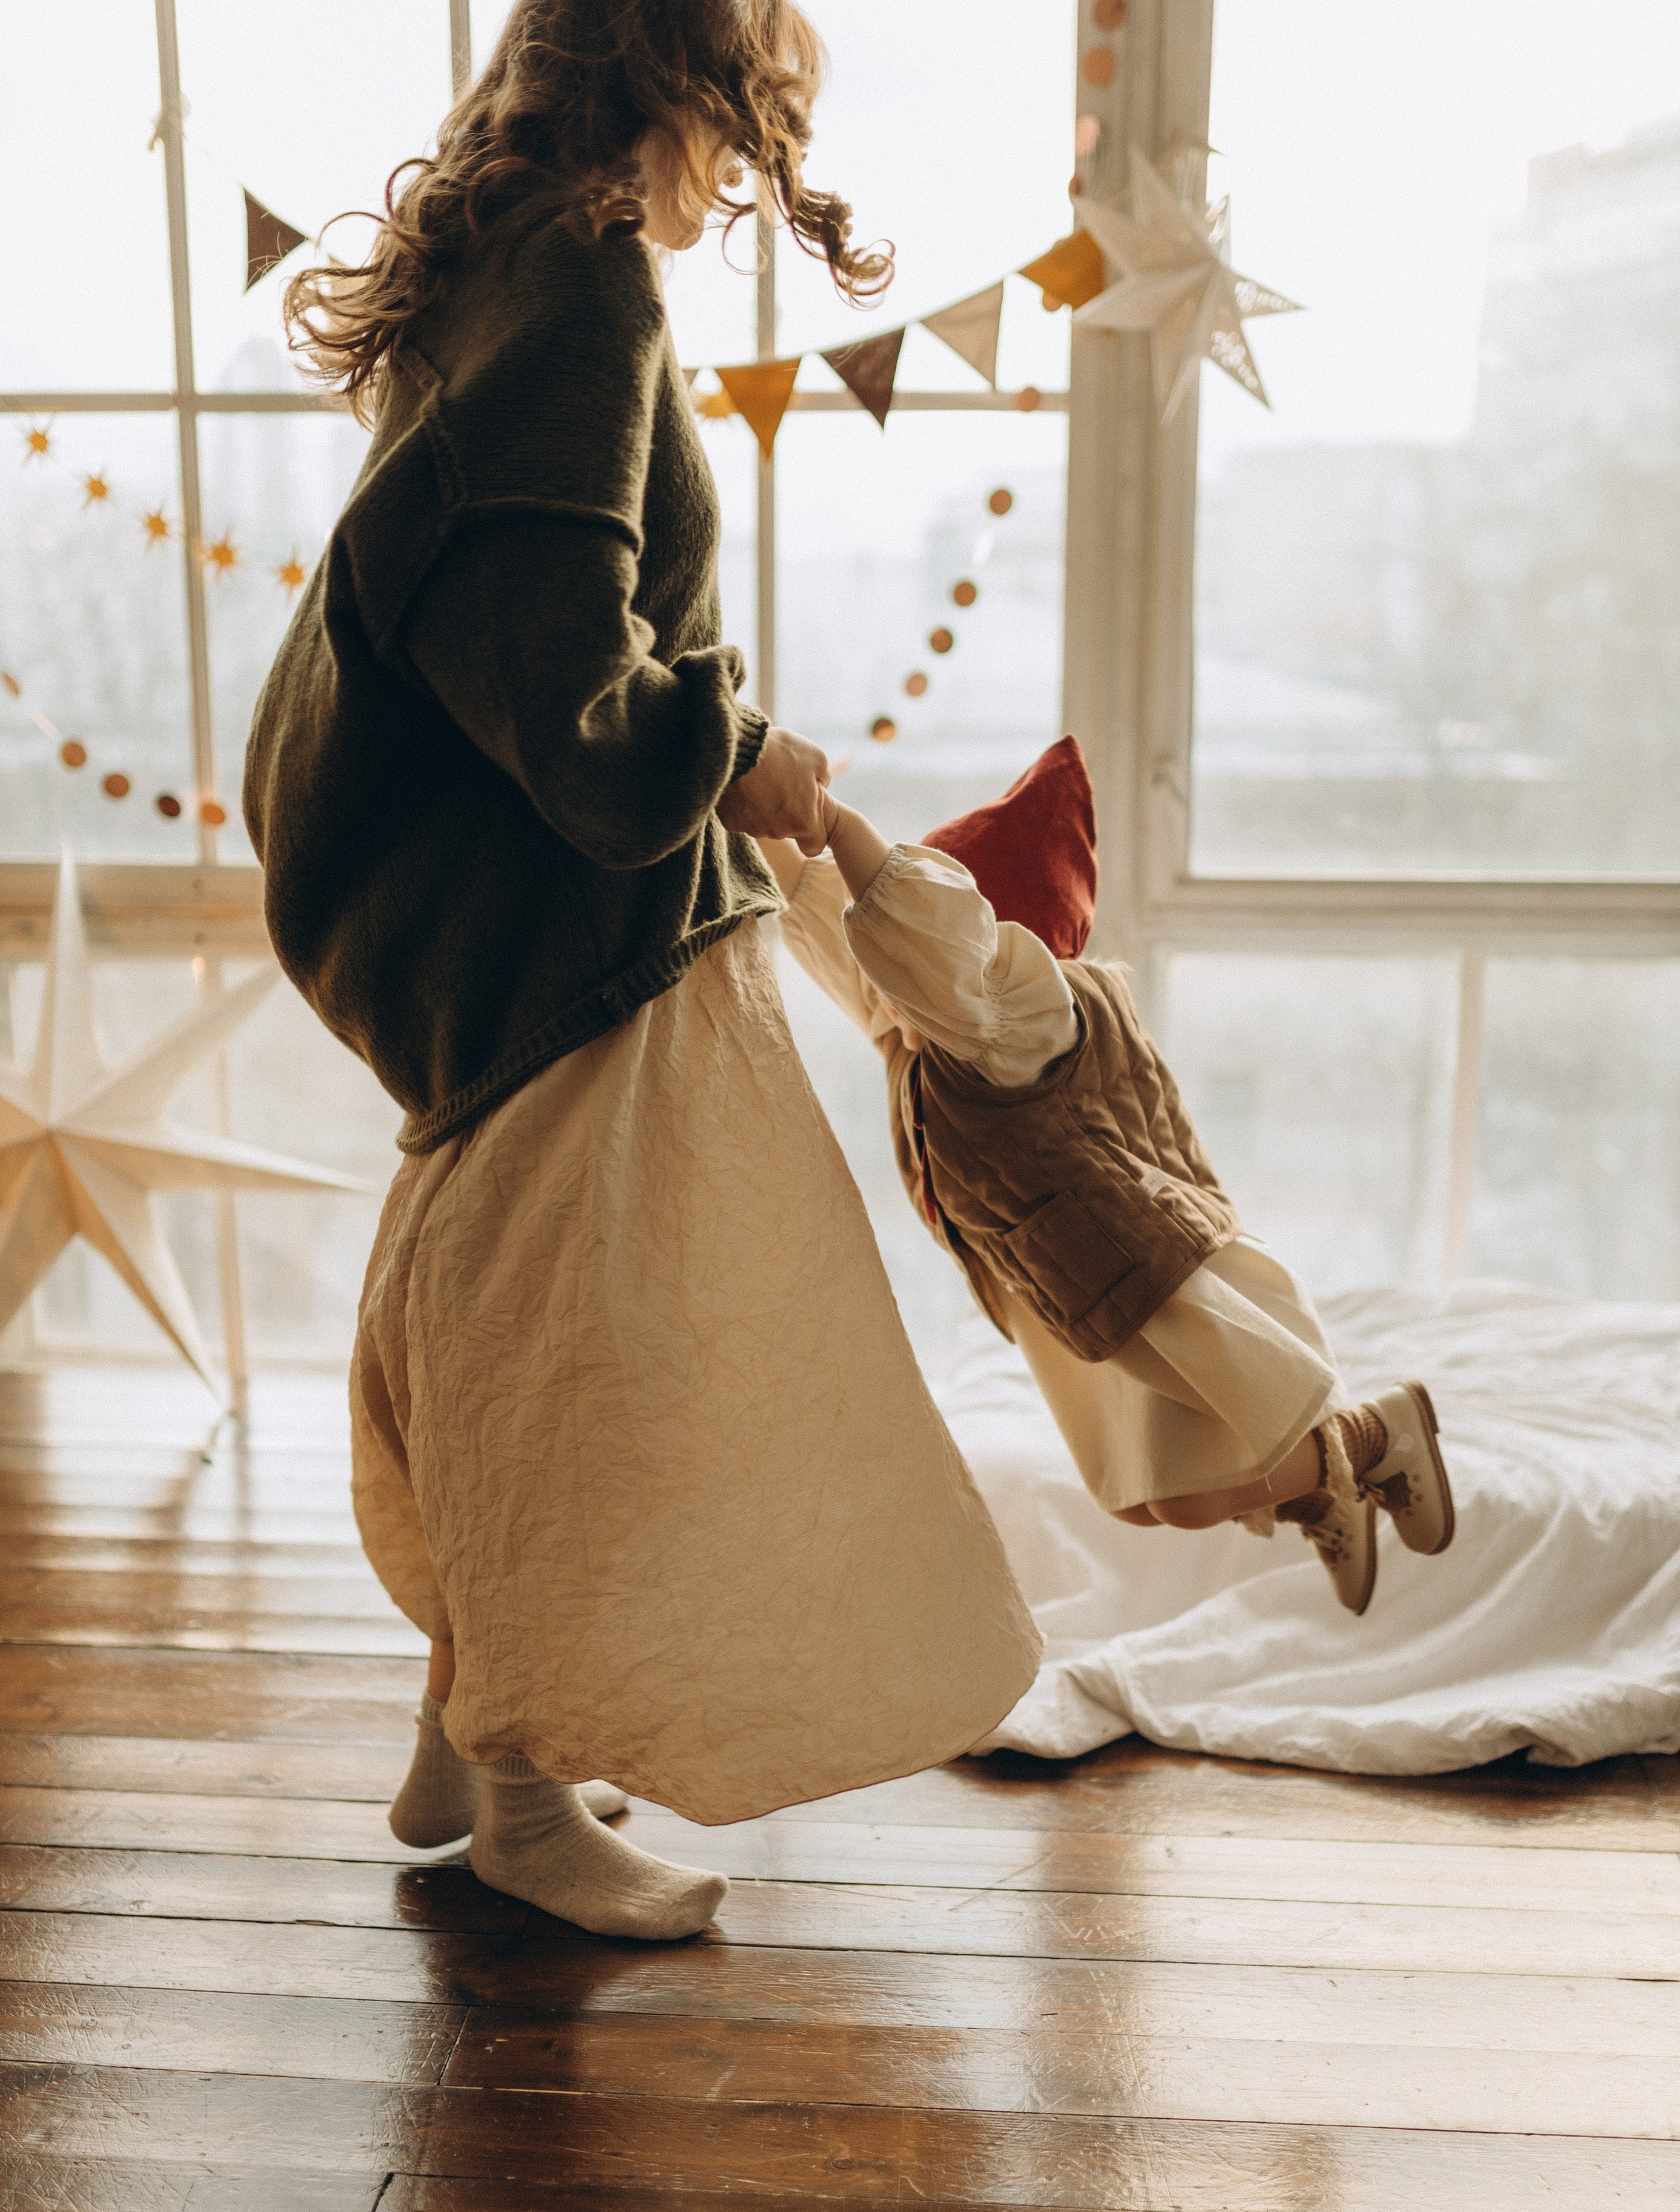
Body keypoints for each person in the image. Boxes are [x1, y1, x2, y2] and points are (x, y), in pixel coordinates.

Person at [242, 0, 1041, 1940]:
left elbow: (507, 621)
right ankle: (524, 1802)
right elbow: (572, 703)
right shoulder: (584, 283)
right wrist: (734, 746)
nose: (740, 174)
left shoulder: (496, 271)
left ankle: (467, 1741)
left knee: (522, 1331)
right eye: (745, 121)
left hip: (497, 938)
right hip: (565, 940)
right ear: (683, 84)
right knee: (589, 1378)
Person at [761, 738, 1456, 1615]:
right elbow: (823, 911)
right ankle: (1320, 1491)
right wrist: (745, 793)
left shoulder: (1022, 1024)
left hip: (1154, 1274)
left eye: (906, 963)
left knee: (1201, 1489)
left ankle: (1376, 1435)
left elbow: (929, 938)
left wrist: (831, 819)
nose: (885, 988)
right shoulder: (917, 1032)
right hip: (1077, 1294)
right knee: (1143, 1500)